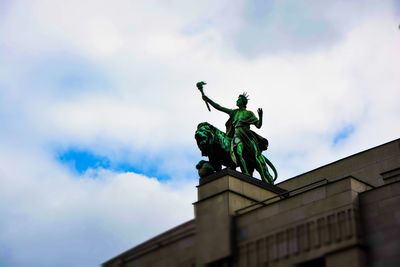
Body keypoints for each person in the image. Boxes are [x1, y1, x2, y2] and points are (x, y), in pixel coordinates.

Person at [201, 92, 273, 183]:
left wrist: (260, 116)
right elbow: (219, 107)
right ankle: (246, 173)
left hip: (247, 135)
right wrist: (207, 99)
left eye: (238, 100)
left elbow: (258, 125)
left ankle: (264, 178)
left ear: (243, 102)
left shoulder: (249, 113)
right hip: (237, 135)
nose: (237, 101)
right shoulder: (234, 112)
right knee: (237, 152)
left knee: (255, 156)